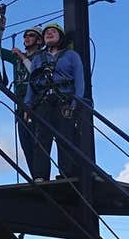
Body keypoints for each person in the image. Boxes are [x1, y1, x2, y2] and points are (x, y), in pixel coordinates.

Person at [23, 21, 86, 182]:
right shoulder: (38, 58)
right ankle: (40, 175)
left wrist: (76, 102)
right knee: (41, 138)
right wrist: (27, 106)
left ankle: (67, 173)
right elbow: (32, 83)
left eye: (53, 32)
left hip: (64, 99)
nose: (49, 34)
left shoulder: (71, 56)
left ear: (61, 37)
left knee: (65, 137)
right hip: (43, 101)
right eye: (46, 33)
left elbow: (79, 80)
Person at [0, 19, 43, 176]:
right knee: (25, 142)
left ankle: (40, 175)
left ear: (39, 40)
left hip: (37, 103)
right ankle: (34, 175)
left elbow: (35, 72)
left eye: (31, 36)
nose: (26, 38)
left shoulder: (42, 56)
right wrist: (1, 30)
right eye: (25, 36)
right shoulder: (17, 58)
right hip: (20, 103)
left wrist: (22, 57)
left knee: (38, 141)